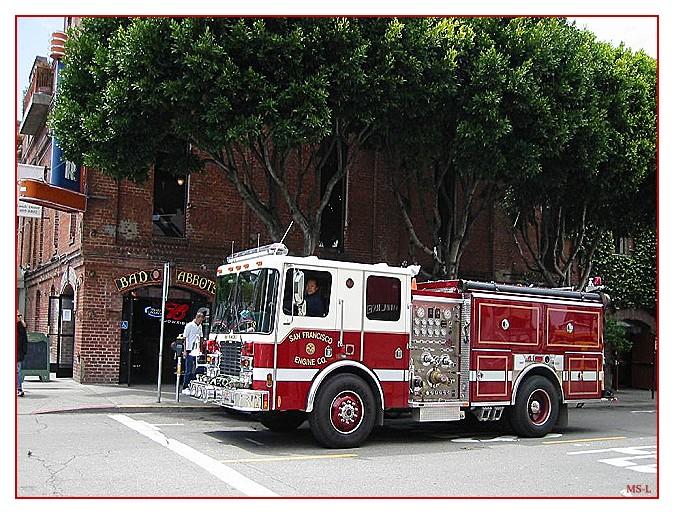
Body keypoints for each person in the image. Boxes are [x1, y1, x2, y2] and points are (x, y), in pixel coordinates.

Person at [182, 311, 204, 393]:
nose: (200, 322)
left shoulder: (200, 326)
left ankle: (193, 385)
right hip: (189, 349)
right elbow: (185, 338)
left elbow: (201, 337)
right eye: (200, 320)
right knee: (189, 369)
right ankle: (185, 387)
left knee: (198, 368)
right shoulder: (189, 325)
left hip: (196, 349)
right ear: (197, 318)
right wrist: (184, 351)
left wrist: (201, 349)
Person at [17, 311, 28, 397]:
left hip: (18, 353)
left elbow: (24, 341)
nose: (18, 317)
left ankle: (19, 389)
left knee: (18, 372)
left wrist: (23, 352)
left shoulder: (21, 327)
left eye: (19, 315)